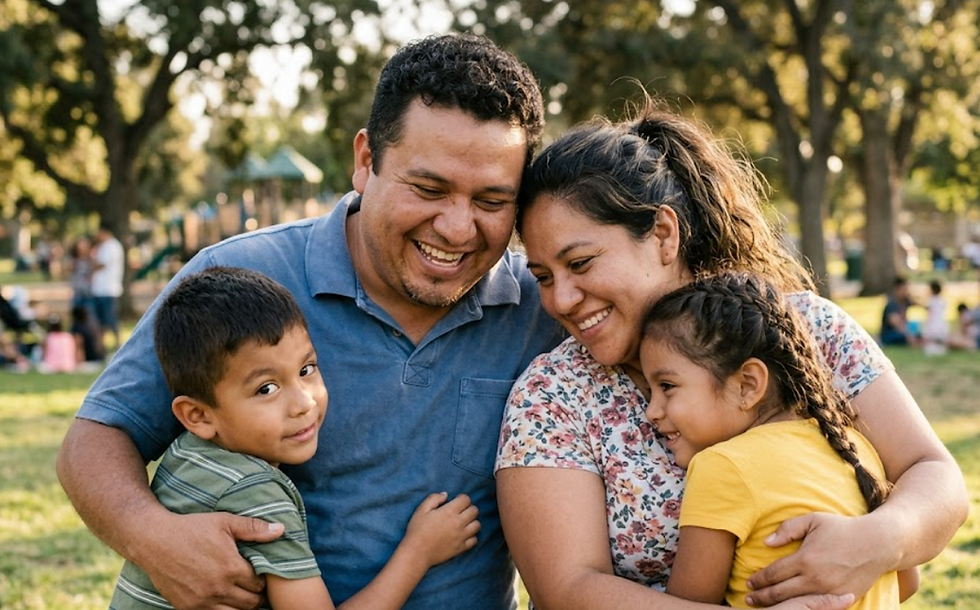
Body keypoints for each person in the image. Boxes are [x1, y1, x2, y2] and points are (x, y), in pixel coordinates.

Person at [58, 34, 565, 610]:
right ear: (366, 161)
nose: (456, 228)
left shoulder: (544, 307)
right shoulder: (239, 277)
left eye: (492, 202)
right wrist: (154, 538)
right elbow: (97, 436)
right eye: (428, 188)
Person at [495, 98, 967, 609]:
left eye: (581, 263)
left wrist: (876, 542)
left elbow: (935, 476)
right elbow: (567, 590)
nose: (560, 299)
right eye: (543, 277)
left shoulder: (804, 329)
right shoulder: (553, 396)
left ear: (663, 234)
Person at [109, 266, 480, 609]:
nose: (303, 403)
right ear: (198, 416)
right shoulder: (257, 495)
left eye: (306, 369)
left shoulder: (189, 456)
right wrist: (418, 552)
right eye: (266, 388)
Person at [639, 272, 918, 608]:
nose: (651, 411)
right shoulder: (855, 447)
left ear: (747, 384)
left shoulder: (721, 466)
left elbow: (688, 602)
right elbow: (907, 582)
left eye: (667, 386)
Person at [91, 223, 125, 351]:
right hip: (100, 289)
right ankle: (101, 347)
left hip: (108, 289)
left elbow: (100, 264)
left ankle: (118, 344)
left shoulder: (112, 246)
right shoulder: (103, 246)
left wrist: (92, 261)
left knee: (111, 319)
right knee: (100, 321)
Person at [879, 276, 918, 346]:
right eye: (903, 289)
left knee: (917, 327)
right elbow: (896, 323)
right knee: (904, 336)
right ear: (896, 289)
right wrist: (909, 335)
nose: (905, 292)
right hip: (890, 334)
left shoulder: (905, 301)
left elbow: (920, 305)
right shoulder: (891, 304)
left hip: (902, 330)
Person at [69, 304, 106, 369]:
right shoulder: (92, 326)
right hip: (98, 357)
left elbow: (78, 345)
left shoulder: (77, 328)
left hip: (88, 358)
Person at [921, 279, 949, 356]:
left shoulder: (931, 300)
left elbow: (928, 309)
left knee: (932, 338)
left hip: (933, 323)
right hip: (941, 322)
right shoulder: (942, 300)